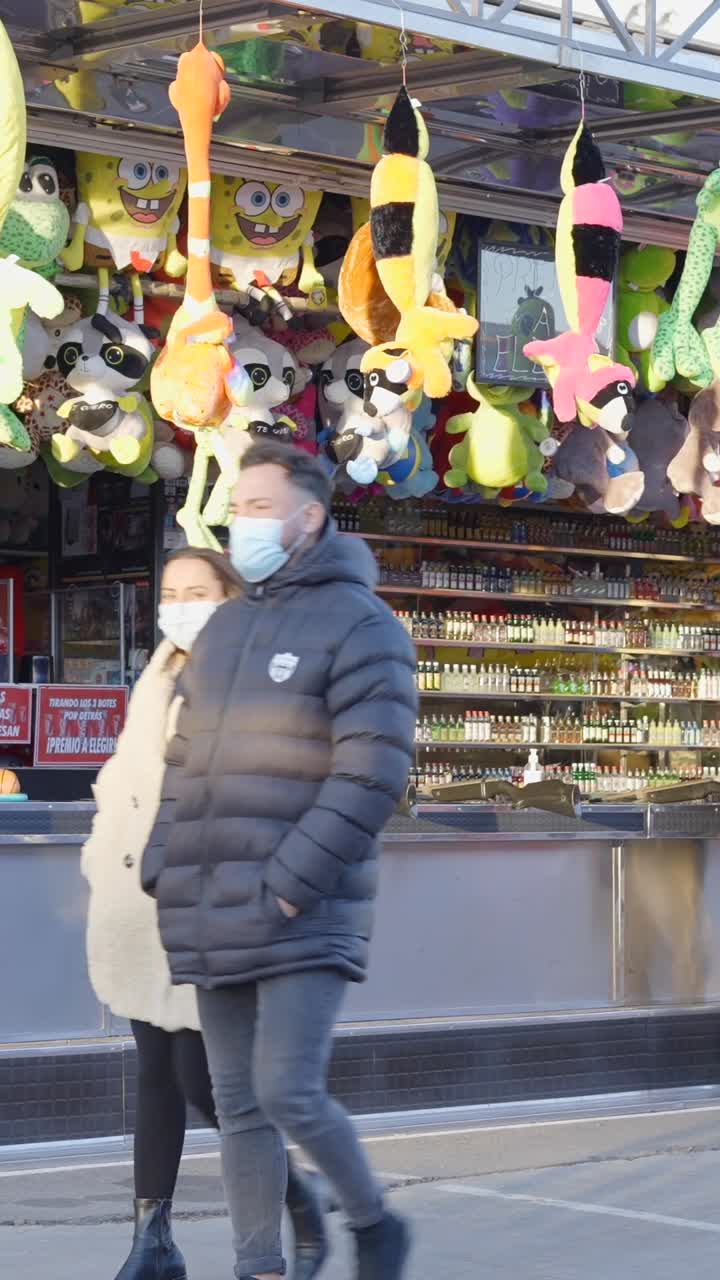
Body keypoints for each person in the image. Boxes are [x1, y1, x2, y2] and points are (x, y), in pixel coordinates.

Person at [143, 440, 417, 1280]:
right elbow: (184, 753)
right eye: (236, 508)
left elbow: (373, 770)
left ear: (310, 518)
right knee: (238, 1105)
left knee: (288, 1090)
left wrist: (292, 883)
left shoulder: (364, 625)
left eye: (259, 507)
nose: (242, 524)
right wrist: (162, 862)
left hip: (304, 903)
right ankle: (258, 1266)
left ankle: (375, 1224)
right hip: (208, 897)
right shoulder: (227, 627)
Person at [83, 546, 329, 1280]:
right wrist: (102, 863)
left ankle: (293, 1199)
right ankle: (151, 1240)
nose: (182, 603)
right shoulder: (158, 674)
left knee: (204, 1081)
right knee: (155, 1072)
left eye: (199, 590)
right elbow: (124, 786)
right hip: (138, 910)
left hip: (208, 910)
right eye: (171, 591)